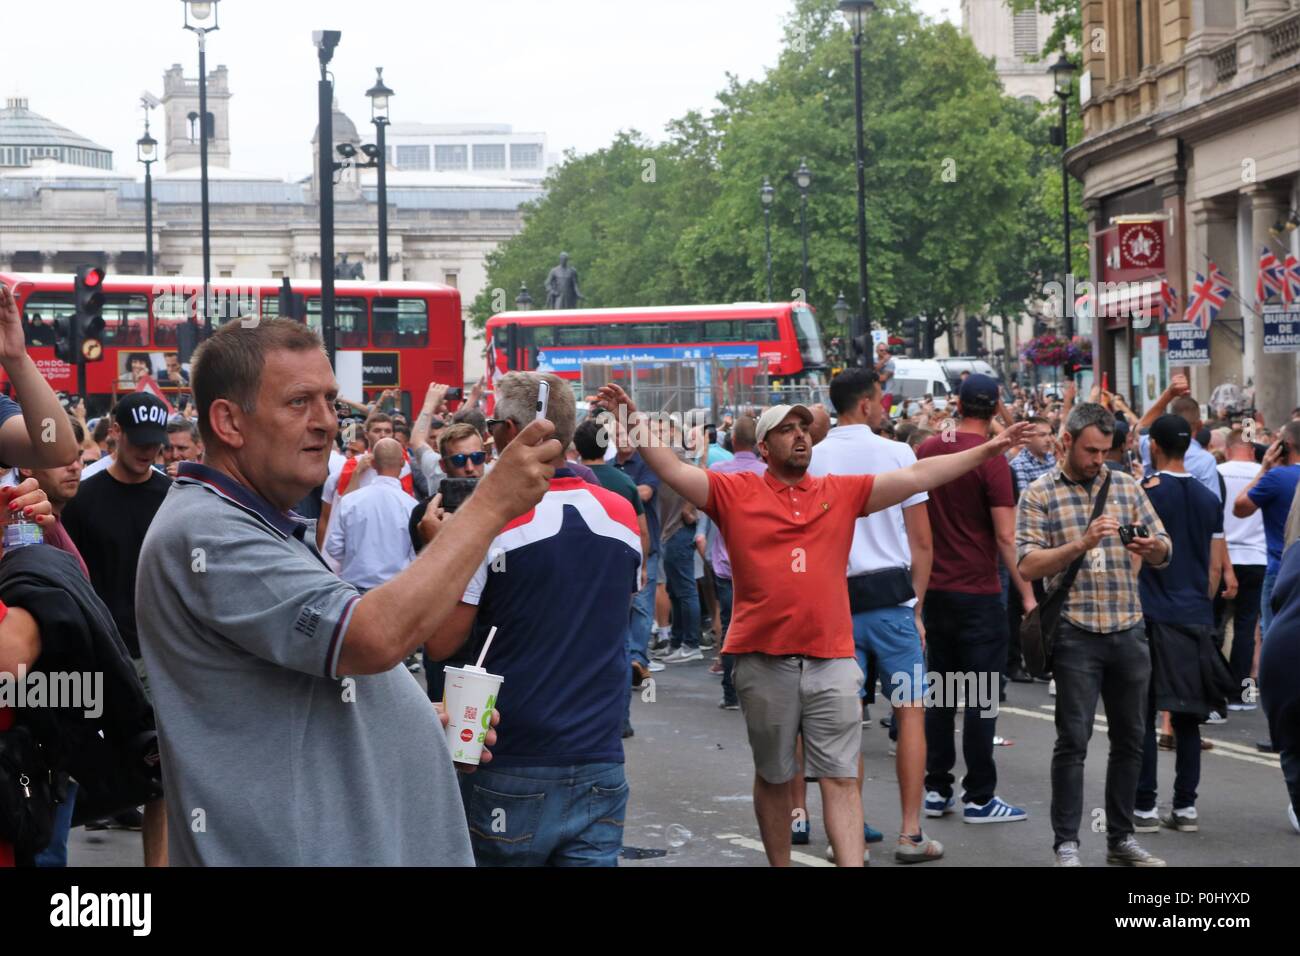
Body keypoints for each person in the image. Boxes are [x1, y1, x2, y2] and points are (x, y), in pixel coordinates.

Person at [135, 319, 558, 865]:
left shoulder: (251, 521)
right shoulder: (208, 532)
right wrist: (491, 503)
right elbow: (374, 636)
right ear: (228, 422)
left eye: (331, 400)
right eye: (298, 402)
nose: (327, 422)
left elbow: (291, 705)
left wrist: (412, 726)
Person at [596, 382, 1033, 868]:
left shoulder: (838, 493)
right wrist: (632, 418)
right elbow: (674, 469)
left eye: (805, 427)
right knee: (777, 778)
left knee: (842, 778)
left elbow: (916, 476)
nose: (800, 435)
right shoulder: (732, 490)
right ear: (763, 448)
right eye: (787, 429)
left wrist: (989, 450)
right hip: (762, 660)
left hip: (833, 659)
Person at [425, 372, 639, 866]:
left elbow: (439, 643)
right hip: (600, 759)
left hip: (512, 758)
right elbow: (614, 612)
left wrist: (441, 546)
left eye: (495, 425)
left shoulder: (491, 518)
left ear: (511, 431)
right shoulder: (622, 513)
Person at [1017, 403, 1172, 867]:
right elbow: (1027, 564)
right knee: (1074, 742)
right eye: (1090, 450)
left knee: (1132, 739)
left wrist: (1153, 547)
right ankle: (1067, 843)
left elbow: (1166, 548)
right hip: (1074, 633)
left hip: (1127, 627)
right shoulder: (1040, 493)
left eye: (1105, 450)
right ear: (1066, 442)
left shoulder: (1125, 485)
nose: (1098, 459)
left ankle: (1120, 838)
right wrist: (1081, 544)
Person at [809, 368, 941, 863]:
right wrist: (917, 606)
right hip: (892, 606)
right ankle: (910, 834)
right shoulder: (897, 453)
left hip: (834, 605)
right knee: (910, 714)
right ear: (864, 404)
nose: (884, 406)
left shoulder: (814, 458)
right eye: (880, 398)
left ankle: (850, 836)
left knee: (845, 722)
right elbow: (922, 541)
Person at [915, 374, 1035, 825]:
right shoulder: (993, 462)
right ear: (997, 403)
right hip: (979, 593)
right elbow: (1006, 536)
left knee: (941, 696)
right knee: (981, 698)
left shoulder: (929, 449)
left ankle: (936, 789)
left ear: (957, 403)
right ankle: (980, 797)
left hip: (936, 590)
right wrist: (1026, 593)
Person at [1134, 415, 1235, 835]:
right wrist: (1199, 604)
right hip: (1194, 616)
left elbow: (1136, 557)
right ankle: (1186, 807)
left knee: (1143, 713)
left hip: (1152, 614)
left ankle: (1144, 807)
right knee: (1189, 717)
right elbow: (1214, 569)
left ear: (1154, 447)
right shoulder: (1209, 498)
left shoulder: (1146, 494)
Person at [61, 393, 172, 693]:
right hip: (105, 649)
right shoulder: (82, 500)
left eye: (155, 442)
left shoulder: (173, 497)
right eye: (139, 441)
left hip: (163, 649)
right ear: (116, 432)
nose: (148, 450)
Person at [575, 417, 651, 734]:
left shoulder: (577, 478)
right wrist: (642, 566)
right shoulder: (625, 483)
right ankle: (622, 720)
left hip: (583, 572)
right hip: (618, 572)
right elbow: (642, 532)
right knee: (618, 644)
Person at [707, 414, 767, 711]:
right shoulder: (768, 473)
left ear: (732, 441)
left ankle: (731, 693)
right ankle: (757, 692)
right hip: (761, 565)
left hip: (725, 563)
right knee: (761, 629)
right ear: (758, 442)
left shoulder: (718, 472)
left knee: (732, 627)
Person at [1232, 420, 1300, 638]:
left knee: (1273, 634)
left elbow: (1240, 507)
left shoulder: (1276, 478)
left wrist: (1264, 468)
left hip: (1280, 568)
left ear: (1285, 445)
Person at [324, 437, 418, 592]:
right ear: (402, 463)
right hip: (394, 591)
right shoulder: (411, 506)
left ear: (373, 464)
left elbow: (333, 547)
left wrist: (356, 558)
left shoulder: (350, 501)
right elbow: (415, 555)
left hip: (354, 591)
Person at [1217, 430, 1268, 706]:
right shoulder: (1263, 471)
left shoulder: (1218, 471)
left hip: (1224, 557)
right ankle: (1242, 693)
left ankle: (1216, 690)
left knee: (1216, 626)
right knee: (1248, 628)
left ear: (1228, 449)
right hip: (1256, 558)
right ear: (1251, 450)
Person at [1137, 374, 1220, 500]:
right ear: (1199, 425)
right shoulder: (1206, 460)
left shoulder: (1152, 445)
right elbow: (1214, 502)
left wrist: (1169, 394)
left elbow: (1140, 428)